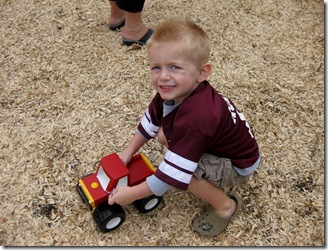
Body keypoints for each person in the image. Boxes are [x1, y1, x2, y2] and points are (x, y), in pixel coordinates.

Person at [107, 18, 261, 237]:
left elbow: (170, 176)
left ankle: (226, 207)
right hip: (218, 145)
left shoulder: (198, 117)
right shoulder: (174, 89)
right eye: (156, 67)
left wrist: (132, 194)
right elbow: (151, 120)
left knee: (185, 175)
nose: (163, 76)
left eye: (175, 67)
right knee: (162, 133)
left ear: (202, 72)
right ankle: (188, 156)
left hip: (237, 165)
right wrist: (127, 154)